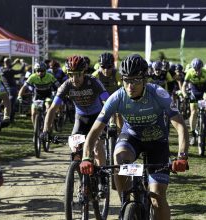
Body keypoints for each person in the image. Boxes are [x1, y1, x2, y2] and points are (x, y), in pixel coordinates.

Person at [80, 54, 189, 220]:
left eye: (136, 80)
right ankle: (126, 204)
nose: (130, 86)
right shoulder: (117, 97)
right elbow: (94, 131)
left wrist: (182, 156)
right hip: (131, 139)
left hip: (157, 142)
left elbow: (180, 125)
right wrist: (86, 157)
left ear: (145, 79)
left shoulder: (158, 93)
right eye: (126, 80)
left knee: (157, 199)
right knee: (119, 160)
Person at [43, 55, 109, 165]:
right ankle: (81, 175)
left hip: (97, 117)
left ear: (84, 72)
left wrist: (111, 122)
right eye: (71, 75)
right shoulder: (66, 85)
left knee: (97, 146)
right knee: (75, 148)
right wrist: (46, 130)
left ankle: (102, 178)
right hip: (81, 118)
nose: (75, 79)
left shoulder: (93, 81)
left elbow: (107, 102)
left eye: (78, 74)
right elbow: (52, 109)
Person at [182, 58, 206, 145]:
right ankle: (193, 134)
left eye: (198, 69)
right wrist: (184, 95)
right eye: (195, 70)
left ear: (201, 68)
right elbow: (184, 86)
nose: (197, 72)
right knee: (193, 112)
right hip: (194, 93)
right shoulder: (189, 73)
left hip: (205, 91)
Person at [18, 62, 59, 127]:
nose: (40, 73)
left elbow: (58, 85)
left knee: (48, 107)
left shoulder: (50, 76)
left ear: (45, 70)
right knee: (33, 112)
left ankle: (49, 126)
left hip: (47, 95)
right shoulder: (32, 77)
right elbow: (24, 87)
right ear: (35, 71)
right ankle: (36, 129)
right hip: (37, 96)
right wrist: (19, 96)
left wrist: (60, 93)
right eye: (38, 71)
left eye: (42, 71)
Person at [0, 57, 25, 122]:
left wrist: (14, 63)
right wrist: (23, 63)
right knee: (11, 105)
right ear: (9, 62)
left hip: (5, 89)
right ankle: (10, 120)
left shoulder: (1, 69)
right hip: (12, 89)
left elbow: (8, 66)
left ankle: (4, 116)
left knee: (6, 103)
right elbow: (21, 70)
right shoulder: (10, 70)